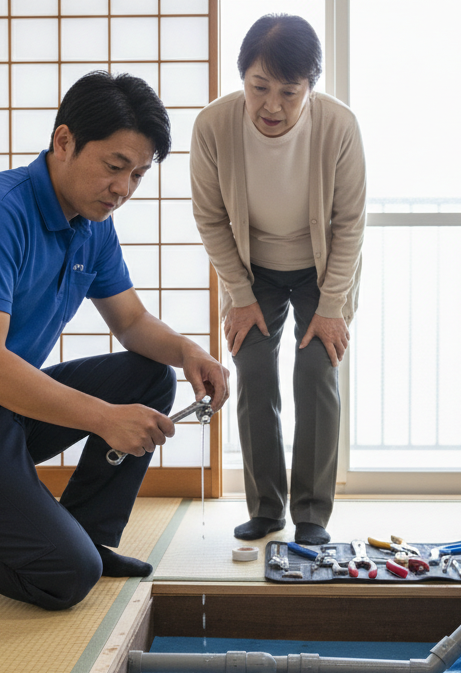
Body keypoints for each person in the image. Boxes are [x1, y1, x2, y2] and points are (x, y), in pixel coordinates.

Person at [0, 72, 229, 610]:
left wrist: (189, 352)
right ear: (63, 142)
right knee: (64, 577)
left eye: (139, 175)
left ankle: (86, 533)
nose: (123, 189)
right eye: (114, 166)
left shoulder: (92, 222)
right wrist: (103, 418)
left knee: (148, 374)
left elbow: (129, 322)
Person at [191, 15, 366, 546]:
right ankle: (266, 508)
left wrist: (332, 304)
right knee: (253, 368)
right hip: (251, 267)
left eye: (289, 92)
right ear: (242, 77)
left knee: (317, 369)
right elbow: (210, 218)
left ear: (310, 87)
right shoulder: (214, 125)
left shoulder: (338, 125)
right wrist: (240, 298)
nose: (271, 105)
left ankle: (311, 513)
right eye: (258, 87)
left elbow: (350, 223)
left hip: (322, 266)